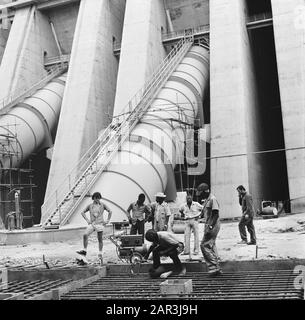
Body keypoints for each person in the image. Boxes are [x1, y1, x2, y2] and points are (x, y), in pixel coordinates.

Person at [76, 192, 112, 263]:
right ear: (94, 198)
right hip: (92, 223)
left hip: (100, 223)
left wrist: (107, 220)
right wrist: (87, 220)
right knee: (85, 234)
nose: (98, 199)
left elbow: (110, 211)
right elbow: (82, 212)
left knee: (100, 238)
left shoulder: (102, 205)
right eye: (96, 198)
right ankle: (84, 250)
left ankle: (100, 252)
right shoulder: (90, 205)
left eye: (99, 198)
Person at [197, 183, 222, 277]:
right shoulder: (208, 199)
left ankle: (213, 267)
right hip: (210, 224)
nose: (200, 195)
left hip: (213, 225)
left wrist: (210, 226)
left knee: (204, 245)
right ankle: (217, 267)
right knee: (211, 245)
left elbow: (216, 213)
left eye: (201, 193)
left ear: (205, 191)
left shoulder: (212, 199)